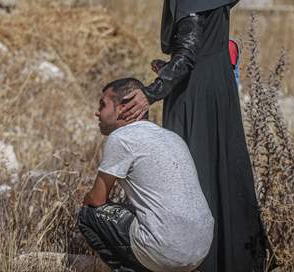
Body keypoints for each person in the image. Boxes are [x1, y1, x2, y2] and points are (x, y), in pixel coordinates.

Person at [119, 0, 267, 272]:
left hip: (195, 99)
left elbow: (185, 59)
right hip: (217, 92)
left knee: (191, 175)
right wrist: (168, 66)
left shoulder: (190, 4)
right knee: (219, 170)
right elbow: (194, 55)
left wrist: (151, 91)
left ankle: (201, 261)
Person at [78, 77, 214, 272]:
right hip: (201, 249)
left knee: (88, 214)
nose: (97, 113)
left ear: (123, 108)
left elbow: (97, 200)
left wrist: (86, 199)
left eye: (103, 105)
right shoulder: (172, 137)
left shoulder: (122, 137)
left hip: (166, 250)